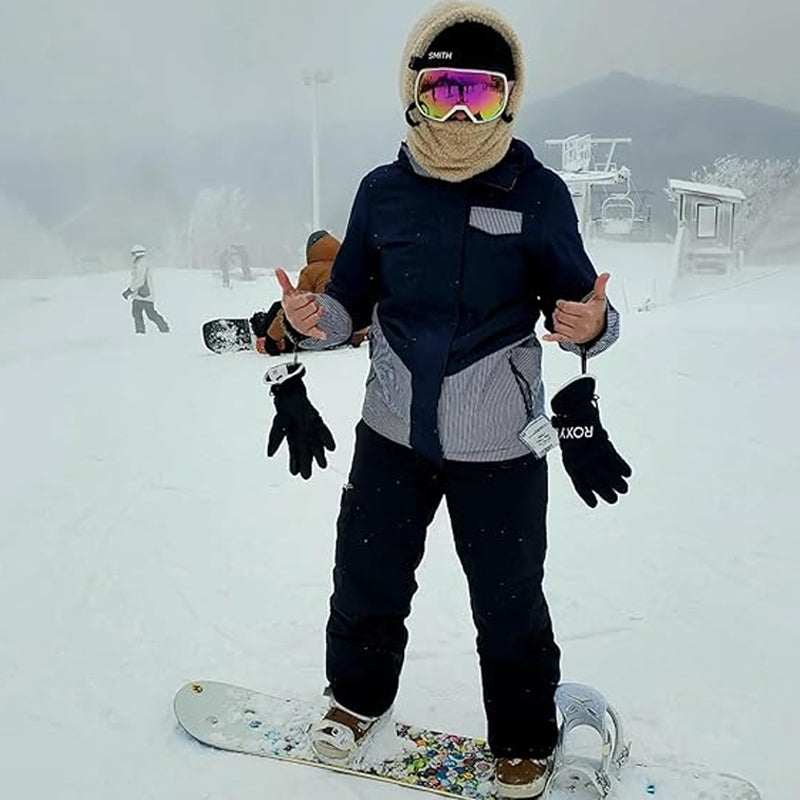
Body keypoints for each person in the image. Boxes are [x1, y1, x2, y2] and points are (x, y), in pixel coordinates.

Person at [265, 4, 631, 797]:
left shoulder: (539, 194)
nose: (461, 112)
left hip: (499, 444)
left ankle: (525, 741)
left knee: (509, 602)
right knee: (366, 578)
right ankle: (358, 705)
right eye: (442, 91)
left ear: (510, 98)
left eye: (481, 92)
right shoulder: (383, 193)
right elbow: (349, 307)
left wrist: (593, 322)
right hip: (391, 431)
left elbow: (583, 313)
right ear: (413, 94)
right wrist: (310, 321)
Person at [250, 230, 367, 355]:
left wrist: (272, 339)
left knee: (279, 307)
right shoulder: (349, 269)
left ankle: (263, 330)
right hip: (346, 335)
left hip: (316, 332)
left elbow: (299, 306)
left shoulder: (312, 271)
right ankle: (282, 341)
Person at [122, 245, 170, 334]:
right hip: (142, 295)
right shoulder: (141, 263)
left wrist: (129, 291)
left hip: (142, 294)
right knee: (147, 314)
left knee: (142, 314)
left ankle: (159, 329)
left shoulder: (141, 264)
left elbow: (139, 280)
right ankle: (162, 328)